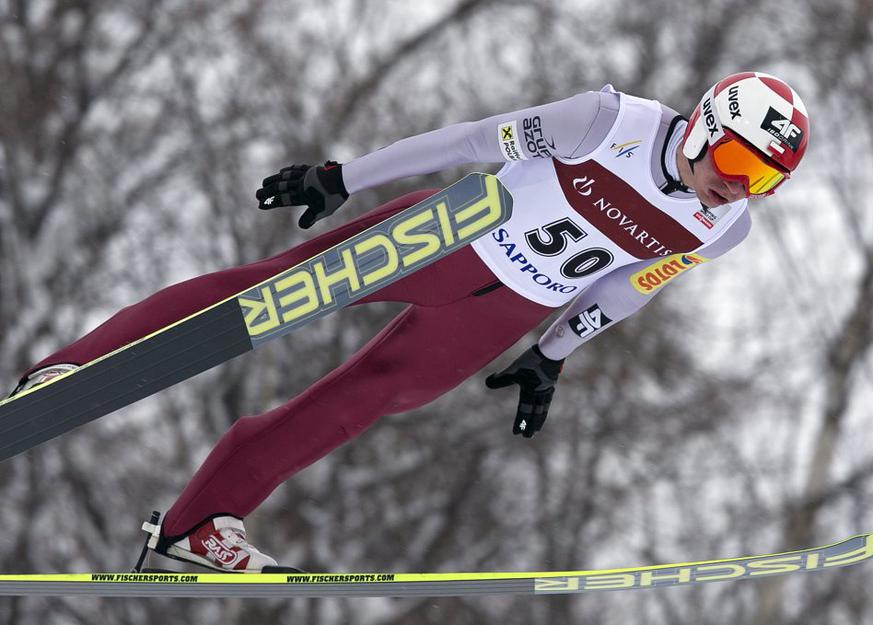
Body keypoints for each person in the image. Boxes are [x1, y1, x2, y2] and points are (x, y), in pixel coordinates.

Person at [10, 71, 809, 572]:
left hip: (507, 309)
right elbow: (469, 139)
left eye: (763, 182)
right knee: (266, 292)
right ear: (705, 125)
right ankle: (73, 366)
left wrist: (553, 353)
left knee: (365, 398)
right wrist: (343, 176)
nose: (737, 189)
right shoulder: (606, 122)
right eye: (738, 163)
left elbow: (634, 284)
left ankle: (198, 522)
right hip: (448, 237)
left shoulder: (722, 228)